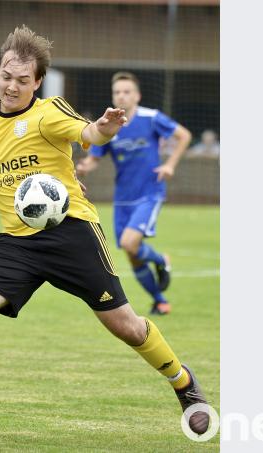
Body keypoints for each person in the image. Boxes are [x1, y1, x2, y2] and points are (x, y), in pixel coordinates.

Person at [0, 25, 209, 437]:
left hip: (72, 234)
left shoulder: (49, 112)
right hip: (17, 243)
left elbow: (88, 133)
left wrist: (106, 127)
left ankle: (183, 382)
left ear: (38, 82)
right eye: (7, 77)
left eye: (23, 80)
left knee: (126, 326)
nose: (13, 87)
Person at [76, 71, 192, 315]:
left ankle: (161, 261)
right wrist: (85, 167)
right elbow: (95, 157)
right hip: (123, 199)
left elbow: (184, 136)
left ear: (137, 95)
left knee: (130, 243)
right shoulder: (109, 126)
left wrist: (170, 164)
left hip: (150, 193)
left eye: (127, 91)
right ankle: (160, 300)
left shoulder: (151, 118)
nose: (122, 96)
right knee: (133, 255)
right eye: (117, 92)